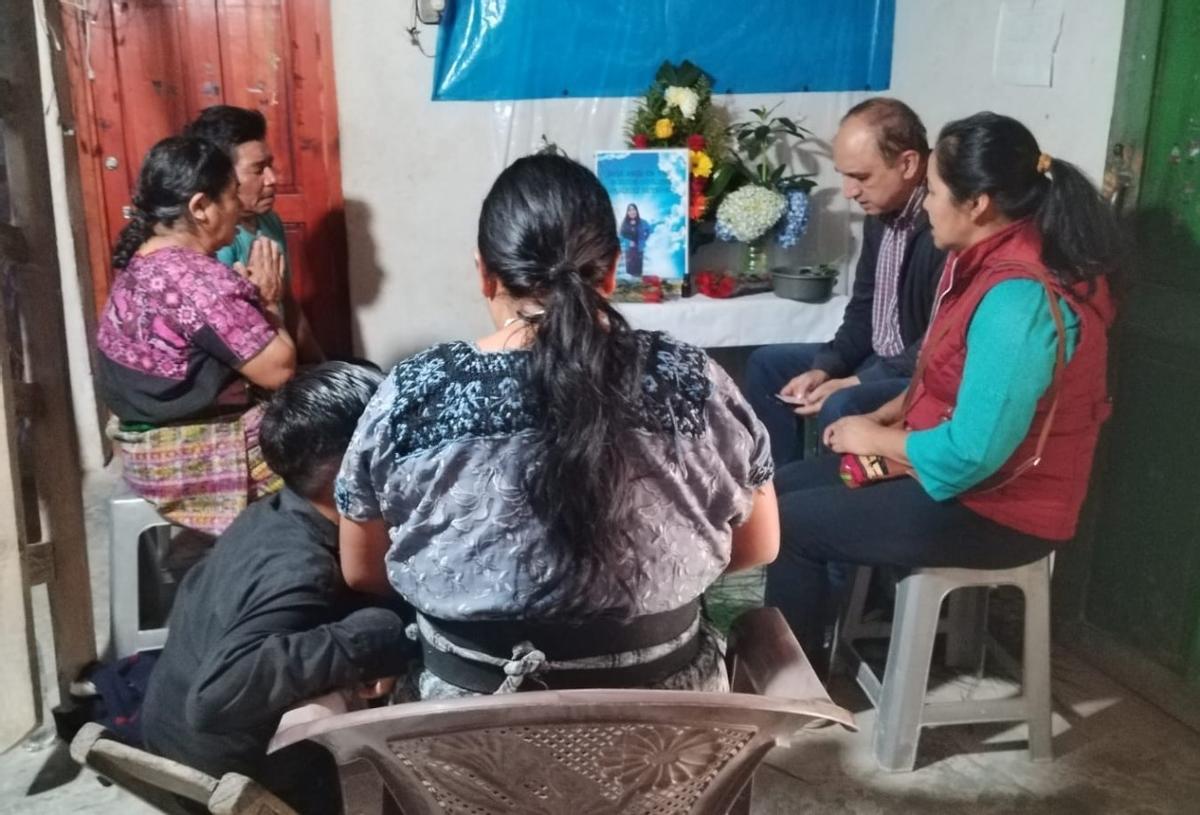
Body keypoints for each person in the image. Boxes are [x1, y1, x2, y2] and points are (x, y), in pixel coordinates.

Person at [335, 154, 779, 698]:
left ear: (485, 273)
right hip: (666, 742)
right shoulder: (693, 381)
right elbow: (759, 546)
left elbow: (362, 569)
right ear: (613, 270)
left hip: (464, 745)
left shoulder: (412, 392)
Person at [764, 112, 1120, 675]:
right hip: (965, 481)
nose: (925, 204)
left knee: (793, 528)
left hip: (1001, 510)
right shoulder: (985, 263)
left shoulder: (1018, 301)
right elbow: (954, 374)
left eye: (931, 191)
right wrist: (896, 409)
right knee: (779, 491)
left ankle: (790, 696)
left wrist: (871, 434)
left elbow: (973, 453)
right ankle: (802, 658)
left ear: (976, 203)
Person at [141, 363, 413, 814]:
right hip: (226, 778)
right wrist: (371, 637)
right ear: (352, 471)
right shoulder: (301, 568)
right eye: (397, 446)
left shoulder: (276, 511)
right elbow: (217, 696)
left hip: (171, 746)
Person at [97, 136, 297, 534]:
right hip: (188, 457)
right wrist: (270, 302)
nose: (239, 207)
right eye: (231, 196)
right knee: (333, 438)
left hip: (147, 448)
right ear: (201, 208)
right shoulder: (195, 281)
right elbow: (281, 370)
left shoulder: (148, 261)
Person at [744, 98, 946, 466]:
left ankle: (826, 505)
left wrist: (855, 381)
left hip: (916, 372)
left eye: (861, 177)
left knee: (843, 402)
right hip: (880, 358)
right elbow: (864, 308)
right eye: (844, 175)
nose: (849, 191)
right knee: (767, 365)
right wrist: (827, 367)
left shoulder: (944, 224)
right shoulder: (881, 212)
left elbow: (938, 343)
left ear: (908, 164)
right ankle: (774, 489)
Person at [184, 105, 324, 362]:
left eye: (270, 166)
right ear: (223, 176)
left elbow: (289, 304)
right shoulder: (211, 245)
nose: (272, 179)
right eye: (259, 169)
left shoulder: (269, 221)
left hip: (281, 359)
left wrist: (322, 369)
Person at [619, 202, 652, 277]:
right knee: (630, 272)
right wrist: (628, 241)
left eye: (633, 209)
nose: (632, 212)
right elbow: (621, 235)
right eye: (629, 210)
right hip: (629, 251)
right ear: (627, 212)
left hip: (639, 250)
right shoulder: (624, 223)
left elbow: (649, 230)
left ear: (636, 211)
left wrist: (644, 239)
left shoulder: (643, 222)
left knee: (638, 272)